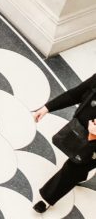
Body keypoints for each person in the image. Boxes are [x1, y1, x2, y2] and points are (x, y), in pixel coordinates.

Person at [32, 75, 96, 212]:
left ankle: (47, 198)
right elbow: (76, 94)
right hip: (81, 131)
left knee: (73, 168)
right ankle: (81, 173)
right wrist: (48, 108)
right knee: (80, 163)